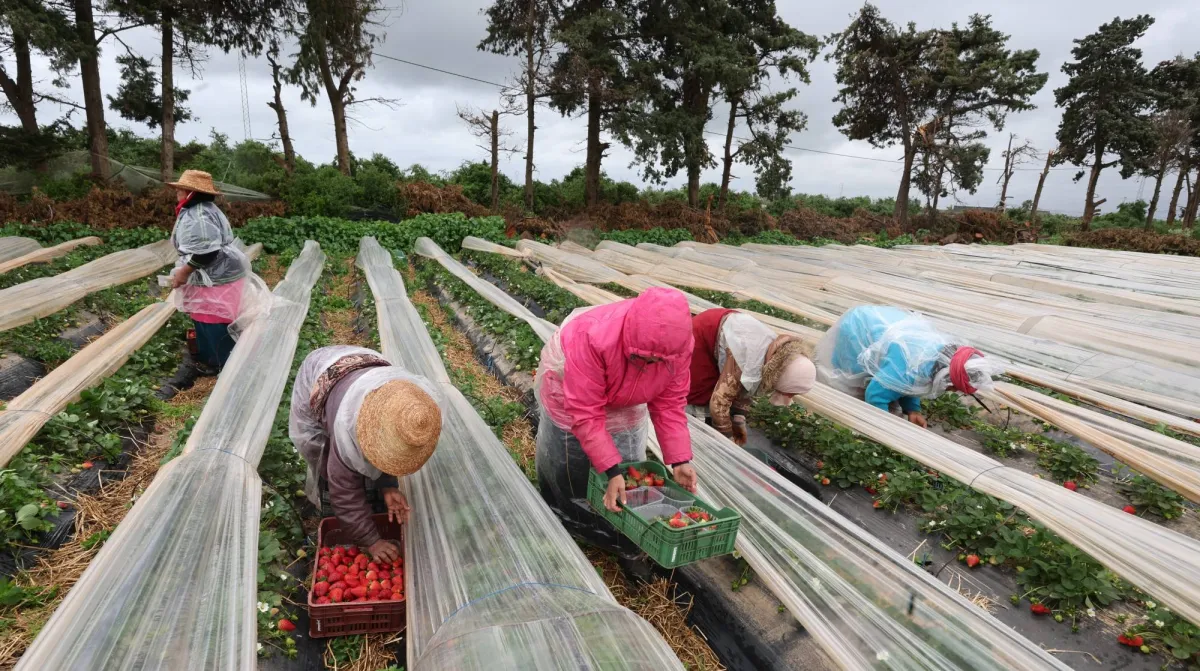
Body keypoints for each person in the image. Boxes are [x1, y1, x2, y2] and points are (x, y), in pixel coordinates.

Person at [534, 287, 698, 553]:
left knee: (627, 459)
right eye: (643, 357)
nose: (651, 362)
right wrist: (611, 470)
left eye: (657, 361)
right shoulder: (592, 337)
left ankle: (615, 533)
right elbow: (585, 410)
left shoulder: (677, 347)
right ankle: (572, 525)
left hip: (627, 394)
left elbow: (669, 403)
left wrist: (680, 460)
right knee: (571, 464)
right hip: (570, 390)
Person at [290, 345, 443, 564]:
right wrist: (371, 541)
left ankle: (367, 499)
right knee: (328, 461)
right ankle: (333, 504)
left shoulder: (407, 403)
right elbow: (344, 492)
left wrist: (388, 485)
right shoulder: (346, 426)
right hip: (320, 372)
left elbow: (391, 449)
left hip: (364, 368)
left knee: (367, 460)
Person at [814, 305, 1002, 426]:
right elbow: (875, 395)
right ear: (946, 374)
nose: (952, 390)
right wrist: (886, 426)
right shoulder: (906, 368)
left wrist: (913, 410)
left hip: (885, 321)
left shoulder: (933, 358)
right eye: (954, 386)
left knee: (887, 381)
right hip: (860, 326)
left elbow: (913, 383)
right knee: (848, 380)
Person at [167, 170, 267, 375]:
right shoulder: (200, 210)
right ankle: (211, 357)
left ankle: (222, 363)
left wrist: (184, 272)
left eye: (181, 189)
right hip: (215, 275)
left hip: (217, 276)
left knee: (215, 318)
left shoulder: (199, 216)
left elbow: (207, 252)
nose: (177, 191)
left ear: (191, 193)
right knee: (207, 316)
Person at [687, 308, 817, 445]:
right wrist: (727, 437)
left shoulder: (775, 359)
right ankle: (696, 432)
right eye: (789, 393)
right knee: (701, 390)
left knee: (723, 386)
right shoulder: (747, 359)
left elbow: (746, 386)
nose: (790, 398)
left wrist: (739, 419)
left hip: (727, 327)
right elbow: (719, 402)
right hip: (704, 333)